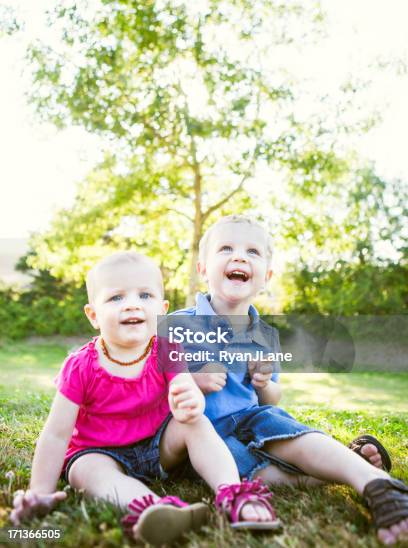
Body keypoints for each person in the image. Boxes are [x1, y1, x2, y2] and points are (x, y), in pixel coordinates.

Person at [9, 251, 282, 545]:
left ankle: (233, 492)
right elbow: (55, 435)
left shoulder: (167, 348)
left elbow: (188, 396)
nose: (131, 305)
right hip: (99, 452)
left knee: (195, 423)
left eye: (145, 295)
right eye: (115, 298)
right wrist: (40, 490)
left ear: (162, 310)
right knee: (85, 472)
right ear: (93, 315)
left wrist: (191, 402)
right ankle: (156, 509)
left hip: (157, 446)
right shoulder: (81, 366)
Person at [172, 215, 408, 545]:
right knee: (262, 474)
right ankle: (348, 461)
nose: (239, 256)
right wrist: (192, 378)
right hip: (203, 435)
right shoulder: (177, 324)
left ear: (265, 277)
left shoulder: (265, 335)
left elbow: (271, 400)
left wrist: (265, 382)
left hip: (253, 418)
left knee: (284, 429)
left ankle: (376, 483)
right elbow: (151, 384)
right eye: (226, 248)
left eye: (252, 252)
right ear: (202, 269)